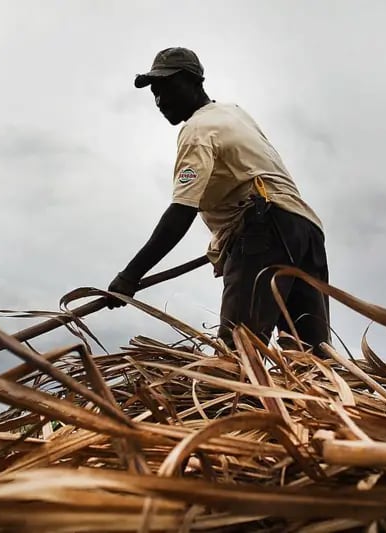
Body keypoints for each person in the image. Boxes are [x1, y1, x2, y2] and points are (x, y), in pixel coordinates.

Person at [107, 47, 330, 351]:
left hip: (265, 228)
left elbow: (181, 211)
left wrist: (130, 275)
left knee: (237, 353)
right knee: (312, 357)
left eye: (167, 88)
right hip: (306, 230)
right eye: (155, 93)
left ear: (193, 82)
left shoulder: (198, 129)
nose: (160, 101)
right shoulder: (234, 112)